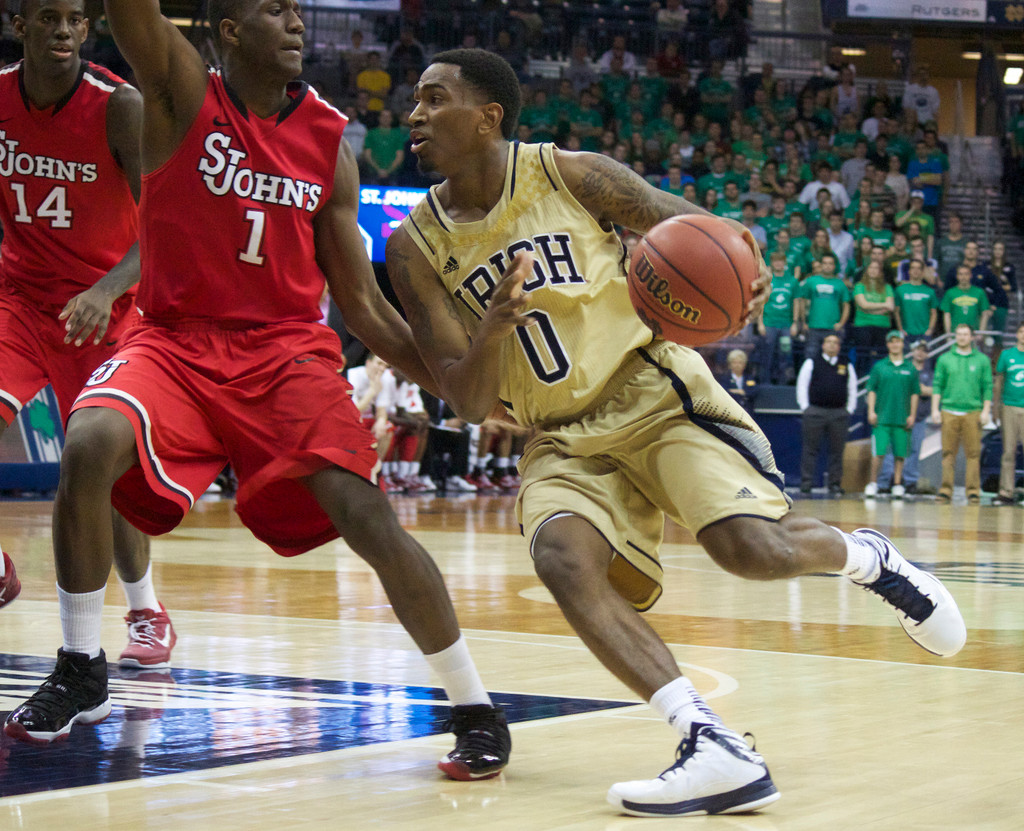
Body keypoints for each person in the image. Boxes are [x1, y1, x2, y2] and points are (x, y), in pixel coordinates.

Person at [385, 48, 965, 817]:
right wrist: (491, 330)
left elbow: (693, 225)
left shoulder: (569, 174)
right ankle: (709, 741)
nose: (415, 115)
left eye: (434, 99)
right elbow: (462, 398)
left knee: (752, 551)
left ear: (488, 116)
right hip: (558, 434)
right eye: (414, 101)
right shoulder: (413, 245)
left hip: (650, 391)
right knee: (561, 554)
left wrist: (745, 267)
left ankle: (868, 558)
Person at [4, 0, 512, 782]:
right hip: (173, 339)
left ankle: (475, 706)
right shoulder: (178, 94)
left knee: (367, 514)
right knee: (89, 440)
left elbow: (366, 308)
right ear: (229, 32)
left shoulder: (327, 142)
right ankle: (80, 663)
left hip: (283, 354)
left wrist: (456, 384)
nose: (298, 24)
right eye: (274, 11)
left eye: (298, 11)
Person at [0, 0, 176, 668]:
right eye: (49, 18)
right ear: (19, 26)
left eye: (76, 18)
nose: (65, 30)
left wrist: (106, 288)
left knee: (104, 470)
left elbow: (164, 222)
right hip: (18, 298)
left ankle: (146, 610)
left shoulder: (117, 104)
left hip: (102, 306)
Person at [931, 324, 993, 504]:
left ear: (972, 337)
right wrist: (935, 409)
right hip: (949, 410)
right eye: (959, 334)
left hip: (973, 412)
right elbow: (937, 385)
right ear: (955, 336)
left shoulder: (982, 360)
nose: (962, 337)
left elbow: (987, 387)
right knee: (947, 453)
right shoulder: (945, 359)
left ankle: (973, 491)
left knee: (973, 454)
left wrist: (986, 410)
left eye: (965, 334)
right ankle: (945, 490)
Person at [797, 333, 858, 495]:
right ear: (823, 345)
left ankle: (834, 484)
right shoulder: (812, 362)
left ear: (839, 347)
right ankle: (806, 483)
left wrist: (849, 409)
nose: (832, 345)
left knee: (837, 451)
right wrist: (805, 407)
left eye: (835, 343)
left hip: (838, 413)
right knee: (810, 449)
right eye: (829, 342)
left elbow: (852, 388)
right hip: (815, 411)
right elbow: (802, 385)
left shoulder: (846, 364)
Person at [864, 332, 920, 499]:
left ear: (903, 344)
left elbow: (914, 393)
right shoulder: (880, 367)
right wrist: (871, 411)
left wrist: (912, 414)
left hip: (902, 418)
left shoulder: (910, 368)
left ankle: (897, 484)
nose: (895, 345)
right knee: (878, 453)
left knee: (900, 453)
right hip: (882, 418)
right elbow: (871, 389)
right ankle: (873, 483)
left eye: (898, 342)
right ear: (888, 345)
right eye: (892, 342)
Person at [993, 322, 1024, 505]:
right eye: (1021, 331)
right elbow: (999, 383)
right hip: (1010, 407)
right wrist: (996, 408)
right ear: (1017, 334)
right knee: (1008, 451)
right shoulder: (1007, 355)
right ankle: (1006, 491)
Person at [941, 264, 990, 335]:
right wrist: (948, 334)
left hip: (974, 334)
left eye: (966, 274)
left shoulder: (980, 292)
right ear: (957, 276)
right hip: (955, 333)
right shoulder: (950, 293)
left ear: (971, 275)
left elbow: (985, 314)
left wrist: (981, 333)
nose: (963, 277)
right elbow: (946, 315)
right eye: (960, 274)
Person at [718, 349, 759, 414]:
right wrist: (740, 392)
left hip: (747, 413)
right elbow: (724, 393)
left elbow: (753, 392)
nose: (737, 365)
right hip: (730, 412)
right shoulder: (725, 378)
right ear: (729, 364)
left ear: (744, 365)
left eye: (740, 363)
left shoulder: (749, 378)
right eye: (734, 362)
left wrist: (739, 391)